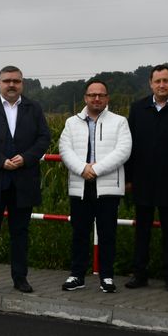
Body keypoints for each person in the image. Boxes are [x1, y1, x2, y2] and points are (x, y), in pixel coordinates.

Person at [0, 66, 53, 295]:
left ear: (22, 84)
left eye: (16, 81)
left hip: (23, 181)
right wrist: (0, 161)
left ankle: (20, 279)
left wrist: (26, 158)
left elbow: (44, 138)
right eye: (7, 80)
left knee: (20, 234)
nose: (11, 85)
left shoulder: (33, 108)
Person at [58, 78, 132, 293]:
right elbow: (65, 150)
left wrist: (95, 169)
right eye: (92, 95)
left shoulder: (119, 122)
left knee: (107, 233)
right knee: (79, 233)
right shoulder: (71, 123)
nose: (96, 98)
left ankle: (107, 277)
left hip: (108, 186)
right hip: (79, 186)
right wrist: (83, 169)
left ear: (107, 98)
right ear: (85, 98)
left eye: (101, 95)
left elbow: (123, 151)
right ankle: (77, 275)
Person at [125, 64, 168, 291]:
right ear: (150, 83)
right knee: (141, 230)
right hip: (142, 179)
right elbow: (129, 146)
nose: (161, 85)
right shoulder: (138, 108)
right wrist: (129, 178)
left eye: (166, 80)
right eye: (157, 81)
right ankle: (139, 274)